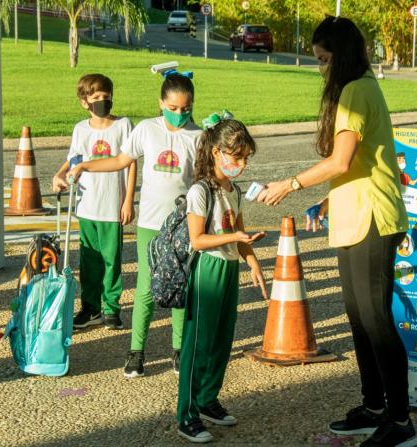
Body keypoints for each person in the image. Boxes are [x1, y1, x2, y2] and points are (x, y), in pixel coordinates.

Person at [258, 16, 417, 447]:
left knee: (377, 320)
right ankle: (374, 407)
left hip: (371, 218)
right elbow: (364, 159)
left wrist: (289, 185)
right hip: (352, 216)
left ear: (341, 54)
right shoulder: (361, 87)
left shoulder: (355, 91)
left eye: (324, 59)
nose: (322, 69)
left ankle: (401, 422)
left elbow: (341, 161)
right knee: (359, 318)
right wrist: (329, 199)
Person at [68, 73, 202, 377]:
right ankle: (136, 351)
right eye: (173, 107)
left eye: (185, 108)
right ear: (161, 103)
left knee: (181, 286)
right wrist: (85, 165)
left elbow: (203, 179)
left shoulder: (198, 136)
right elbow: (119, 161)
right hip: (150, 223)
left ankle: (179, 350)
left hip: (182, 224)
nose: (179, 114)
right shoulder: (146, 130)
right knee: (145, 289)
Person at [177, 116, 267, 444]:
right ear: (217, 153)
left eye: (245, 159)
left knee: (221, 340)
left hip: (229, 269)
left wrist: (253, 261)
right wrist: (233, 236)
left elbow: (239, 234)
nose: (241, 165)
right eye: (236, 157)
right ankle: (186, 414)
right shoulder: (201, 190)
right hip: (208, 270)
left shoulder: (234, 189)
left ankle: (207, 399)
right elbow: (197, 239)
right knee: (198, 343)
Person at [52, 73, 135, 331]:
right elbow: (74, 159)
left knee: (112, 259)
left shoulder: (123, 125)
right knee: (89, 260)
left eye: (106, 97)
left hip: (113, 204)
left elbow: (131, 163)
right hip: (87, 204)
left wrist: (129, 200)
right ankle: (91, 307)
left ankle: (112, 307)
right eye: (96, 97)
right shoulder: (81, 129)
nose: (102, 101)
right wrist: (59, 173)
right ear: (84, 101)